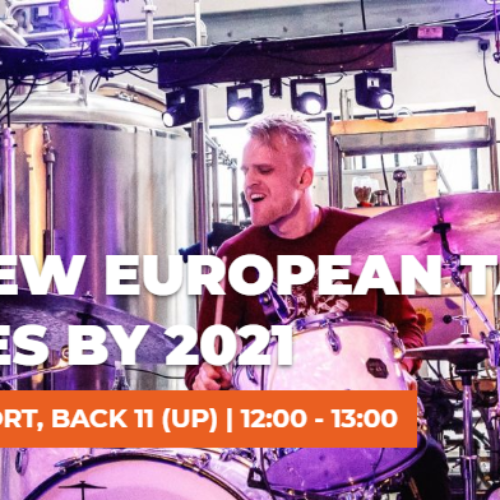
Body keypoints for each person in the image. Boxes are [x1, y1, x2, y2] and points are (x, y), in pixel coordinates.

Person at [185, 113, 450, 500]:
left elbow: (408, 328)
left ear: (304, 178)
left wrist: (401, 368)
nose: (249, 182)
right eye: (246, 170)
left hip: (362, 415)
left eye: (264, 170)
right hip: (276, 430)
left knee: (430, 462)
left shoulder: (362, 239)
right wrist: (204, 379)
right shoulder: (233, 256)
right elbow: (202, 363)